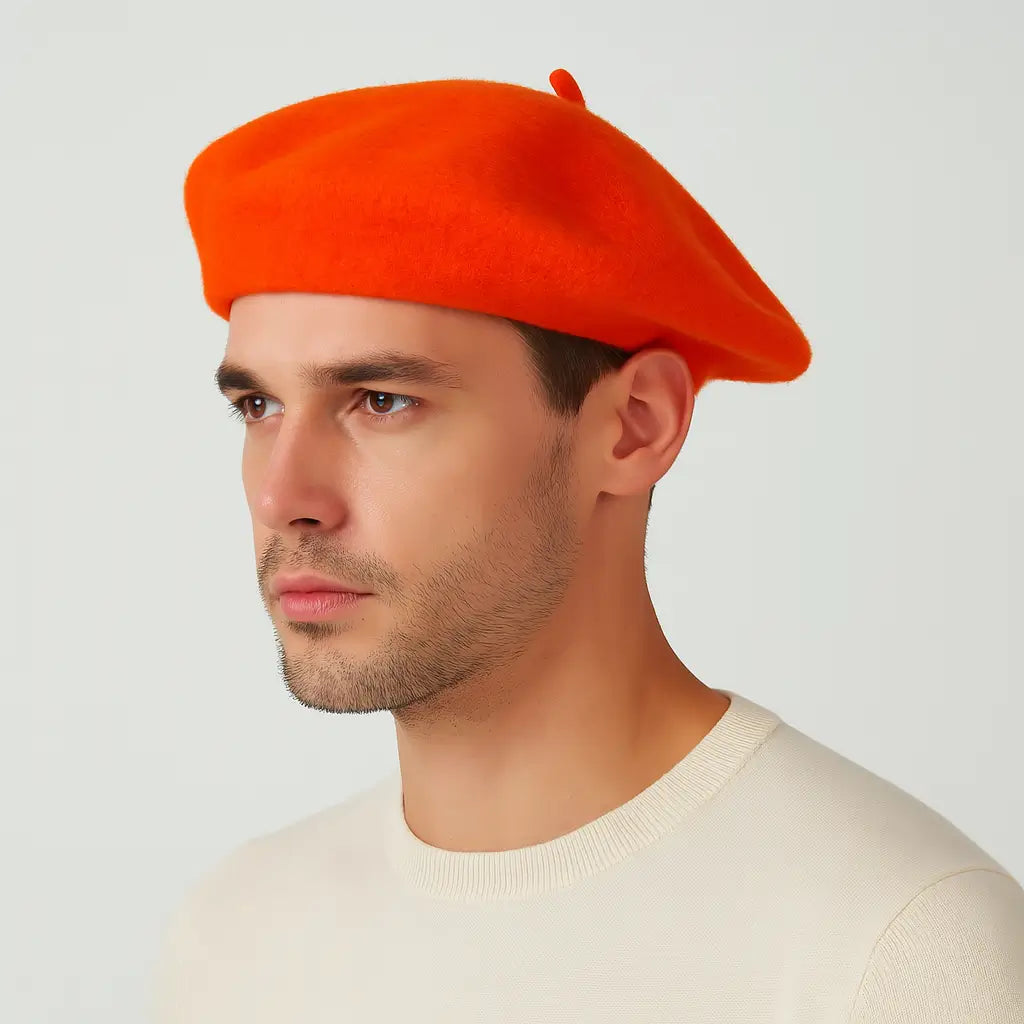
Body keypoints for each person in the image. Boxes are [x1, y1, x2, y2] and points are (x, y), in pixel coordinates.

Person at [151, 68, 1024, 1022]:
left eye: (383, 401)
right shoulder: (235, 938)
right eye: (259, 405)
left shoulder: (894, 951)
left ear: (635, 427)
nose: (285, 495)